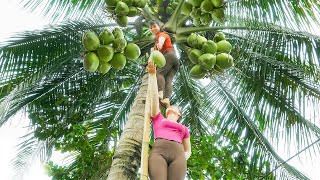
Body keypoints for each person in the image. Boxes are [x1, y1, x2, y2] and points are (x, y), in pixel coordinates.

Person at [147, 61, 191, 180]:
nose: (171, 106)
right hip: (159, 152)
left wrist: (182, 157)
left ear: (179, 114)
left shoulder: (184, 129)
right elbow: (155, 99)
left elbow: (188, 150)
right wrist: (152, 76)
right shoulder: (158, 118)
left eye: (174, 107)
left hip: (178, 156)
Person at [149, 20, 179, 107]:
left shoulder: (161, 34)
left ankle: (160, 93)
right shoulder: (160, 37)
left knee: (159, 73)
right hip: (175, 61)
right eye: (151, 28)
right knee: (168, 80)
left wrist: (160, 43)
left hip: (168, 55)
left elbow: (162, 39)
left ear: (159, 27)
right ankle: (166, 99)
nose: (153, 29)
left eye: (154, 26)